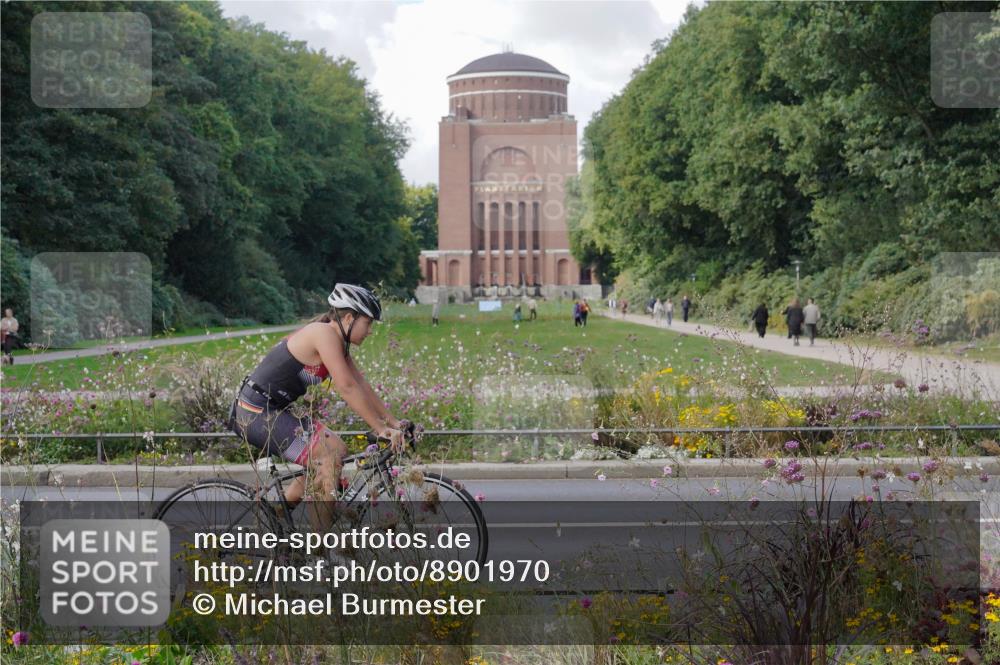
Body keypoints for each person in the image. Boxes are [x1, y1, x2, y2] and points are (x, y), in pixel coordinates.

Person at [227, 284, 409, 525]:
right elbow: (347, 387)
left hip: (271, 411)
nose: (370, 331)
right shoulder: (323, 334)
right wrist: (379, 428)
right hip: (253, 412)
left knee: (337, 450)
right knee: (328, 455)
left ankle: (277, 517)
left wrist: (394, 421)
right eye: (368, 323)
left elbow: (361, 384)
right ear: (348, 318)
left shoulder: (336, 341)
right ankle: (320, 552)